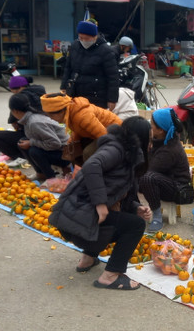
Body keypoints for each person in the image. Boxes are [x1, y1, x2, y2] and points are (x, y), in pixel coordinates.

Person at [50, 117, 153, 290]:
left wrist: (136, 207)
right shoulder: (117, 149)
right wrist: (100, 204)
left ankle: (87, 260)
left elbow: (121, 192)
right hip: (78, 221)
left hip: (75, 219)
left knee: (126, 218)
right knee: (135, 226)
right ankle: (110, 276)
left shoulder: (126, 154)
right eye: (149, 139)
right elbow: (92, 166)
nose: (151, 144)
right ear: (140, 138)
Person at [138, 107, 193, 232]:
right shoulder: (163, 140)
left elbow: (148, 171)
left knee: (146, 178)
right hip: (165, 180)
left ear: (161, 130)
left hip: (177, 189)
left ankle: (157, 215)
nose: (150, 126)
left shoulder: (170, 150)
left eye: (152, 124)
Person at [40, 93, 122, 165]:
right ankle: (81, 175)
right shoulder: (70, 112)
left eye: (51, 116)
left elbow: (103, 135)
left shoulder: (82, 115)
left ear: (61, 111)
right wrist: (72, 142)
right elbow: (79, 129)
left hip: (112, 132)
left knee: (88, 153)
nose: (51, 119)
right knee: (73, 150)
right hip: (95, 135)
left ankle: (92, 174)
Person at [0, 75, 46, 168]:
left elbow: (14, 122)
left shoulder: (24, 98)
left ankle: (21, 156)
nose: (15, 95)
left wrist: (15, 121)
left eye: (15, 92)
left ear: (21, 87)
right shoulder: (40, 94)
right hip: (38, 137)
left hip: (32, 138)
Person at [9, 92, 70, 182]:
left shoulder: (34, 122)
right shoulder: (28, 119)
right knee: (22, 142)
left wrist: (31, 143)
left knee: (34, 151)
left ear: (15, 111)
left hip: (65, 154)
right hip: (56, 150)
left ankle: (51, 179)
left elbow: (55, 143)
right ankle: (41, 173)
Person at [59, 20, 119, 110]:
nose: (83, 41)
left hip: (97, 97)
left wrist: (112, 99)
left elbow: (113, 77)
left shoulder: (106, 51)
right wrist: (63, 86)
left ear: (95, 36)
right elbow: (68, 68)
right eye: (80, 38)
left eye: (86, 38)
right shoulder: (75, 46)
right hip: (76, 93)